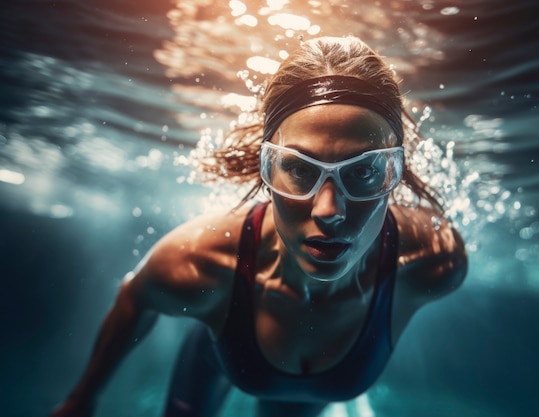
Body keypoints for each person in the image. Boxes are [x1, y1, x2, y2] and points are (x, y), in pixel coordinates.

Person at [50, 35, 467, 417]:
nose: (329, 210)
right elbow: (134, 299)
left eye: (364, 171)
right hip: (220, 358)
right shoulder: (201, 263)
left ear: (395, 174)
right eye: (299, 170)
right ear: (264, 169)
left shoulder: (431, 261)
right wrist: (82, 396)